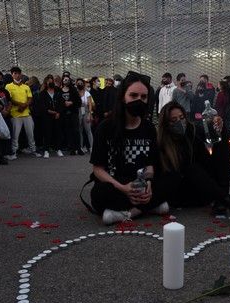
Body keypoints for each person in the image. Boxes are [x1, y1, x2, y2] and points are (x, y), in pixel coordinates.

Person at [89, 71, 169, 225]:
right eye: (133, 95)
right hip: (117, 183)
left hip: (141, 182)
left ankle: (130, 212)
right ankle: (150, 207)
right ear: (122, 97)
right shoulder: (106, 127)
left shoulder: (149, 128)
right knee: (98, 193)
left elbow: (151, 165)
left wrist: (149, 186)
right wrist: (123, 188)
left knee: (171, 179)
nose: (139, 100)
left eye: (143, 97)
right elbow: (98, 169)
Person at [155, 101, 230, 221]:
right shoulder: (161, 144)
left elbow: (212, 135)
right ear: (166, 124)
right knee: (191, 168)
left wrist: (219, 127)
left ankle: (221, 199)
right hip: (184, 193)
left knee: (222, 145)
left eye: (181, 118)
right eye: (174, 120)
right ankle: (227, 199)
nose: (179, 122)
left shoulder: (191, 130)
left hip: (207, 187)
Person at [5, 66, 39, 158]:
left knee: (30, 133)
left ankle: (33, 150)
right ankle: (14, 152)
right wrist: (20, 104)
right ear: (12, 75)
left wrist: (24, 106)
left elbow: (30, 98)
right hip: (15, 114)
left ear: (21, 74)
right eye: (14, 73)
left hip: (26, 113)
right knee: (15, 135)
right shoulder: (8, 86)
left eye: (18, 73)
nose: (17, 75)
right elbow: (10, 99)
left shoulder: (26, 86)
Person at [33, 76, 63, 157]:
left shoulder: (58, 91)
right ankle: (46, 150)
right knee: (47, 133)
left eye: (52, 81)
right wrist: (52, 112)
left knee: (58, 132)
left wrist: (58, 112)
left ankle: (58, 149)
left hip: (57, 115)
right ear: (46, 83)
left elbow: (61, 103)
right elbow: (42, 106)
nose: (51, 83)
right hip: (47, 116)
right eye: (49, 81)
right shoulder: (42, 93)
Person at [57, 75, 82, 155]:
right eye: (64, 80)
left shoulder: (73, 90)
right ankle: (72, 149)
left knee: (76, 131)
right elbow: (58, 102)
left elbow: (79, 102)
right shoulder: (60, 91)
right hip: (65, 114)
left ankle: (78, 148)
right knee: (69, 131)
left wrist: (71, 102)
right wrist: (64, 104)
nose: (66, 81)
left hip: (73, 113)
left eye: (67, 80)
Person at [77, 77, 93, 153]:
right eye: (78, 83)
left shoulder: (87, 93)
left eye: (81, 83)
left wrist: (89, 114)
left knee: (88, 130)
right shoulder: (75, 93)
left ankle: (92, 147)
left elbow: (90, 104)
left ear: (83, 84)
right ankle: (81, 147)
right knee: (80, 130)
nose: (80, 84)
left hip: (86, 111)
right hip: (78, 111)